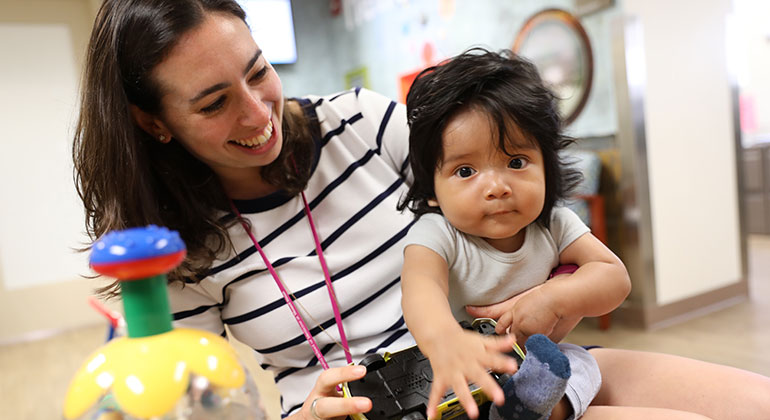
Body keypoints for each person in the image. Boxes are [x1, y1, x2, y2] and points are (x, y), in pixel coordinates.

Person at [72, 1, 770, 420]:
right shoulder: (169, 248)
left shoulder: (365, 124)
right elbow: (202, 406)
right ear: (153, 121)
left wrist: (554, 290)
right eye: (213, 102)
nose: (259, 114)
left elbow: (510, 206)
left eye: (257, 71)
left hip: (513, 362)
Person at [397, 48, 631, 420]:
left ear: (547, 167)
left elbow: (614, 277)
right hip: (463, 368)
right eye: (465, 171)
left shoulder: (553, 223)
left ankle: (523, 409)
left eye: (516, 162)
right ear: (432, 190)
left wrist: (555, 297)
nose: (496, 187)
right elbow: (420, 289)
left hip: (534, 365)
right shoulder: (437, 233)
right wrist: (445, 339)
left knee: (583, 364)